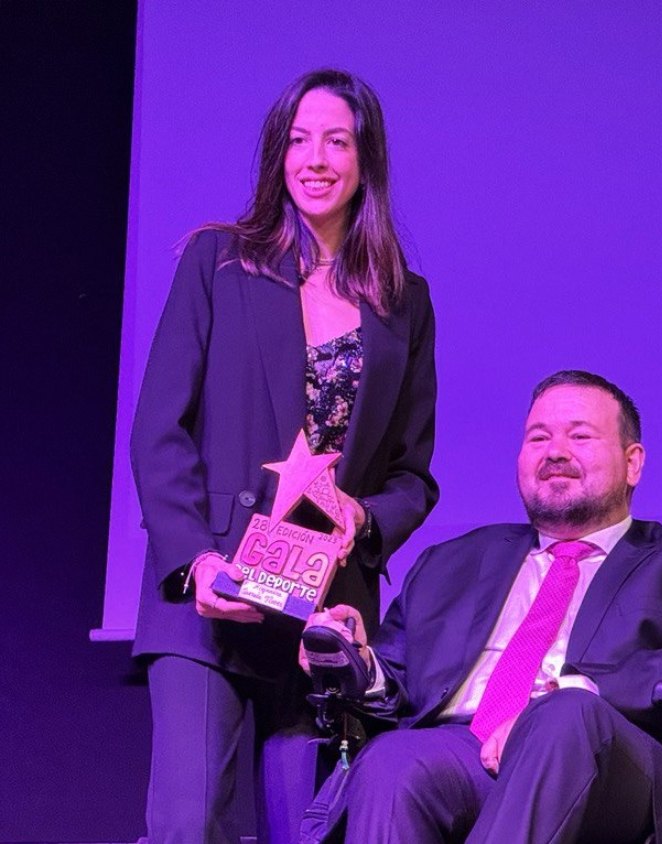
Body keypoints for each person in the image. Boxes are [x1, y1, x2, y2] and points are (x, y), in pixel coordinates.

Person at [130, 69, 438, 844]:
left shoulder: (403, 301)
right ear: (277, 155)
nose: (316, 158)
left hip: (322, 614)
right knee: (188, 823)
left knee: (311, 830)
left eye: (337, 141)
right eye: (299, 140)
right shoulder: (218, 263)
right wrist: (196, 562)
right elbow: (158, 430)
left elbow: (412, 474)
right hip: (210, 598)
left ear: (366, 160)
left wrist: (363, 516)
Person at [302, 370, 662, 843]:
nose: (555, 452)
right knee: (395, 759)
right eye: (538, 437)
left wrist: (570, 691)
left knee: (565, 714)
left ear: (633, 463)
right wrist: (360, 661)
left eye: (580, 436)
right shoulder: (453, 561)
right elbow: (397, 680)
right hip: (466, 750)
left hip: (618, 766)